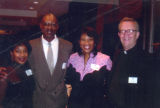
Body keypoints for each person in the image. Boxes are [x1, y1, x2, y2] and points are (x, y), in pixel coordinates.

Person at [29, 13, 72, 108]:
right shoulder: (31, 45)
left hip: (58, 100)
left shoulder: (68, 46)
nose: (49, 28)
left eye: (53, 24)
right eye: (46, 24)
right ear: (41, 25)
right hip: (39, 100)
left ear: (57, 26)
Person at [65, 26, 112, 108]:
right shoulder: (72, 58)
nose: (86, 43)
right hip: (74, 104)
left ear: (95, 42)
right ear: (79, 42)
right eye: (83, 40)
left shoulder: (105, 59)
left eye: (90, 39)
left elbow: (111, 85)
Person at [109, 17, 150, 108]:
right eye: (122, 31)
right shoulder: (118, 57)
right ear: (119, 35)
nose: (125, 34)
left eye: (130, 31)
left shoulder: (147, 59)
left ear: (137, 35)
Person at [0, 40, 35, 108]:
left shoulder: (27, 67)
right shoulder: (6, 72)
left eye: (25, 51)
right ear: (11, 53)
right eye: (18, 51)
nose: (22, 55)